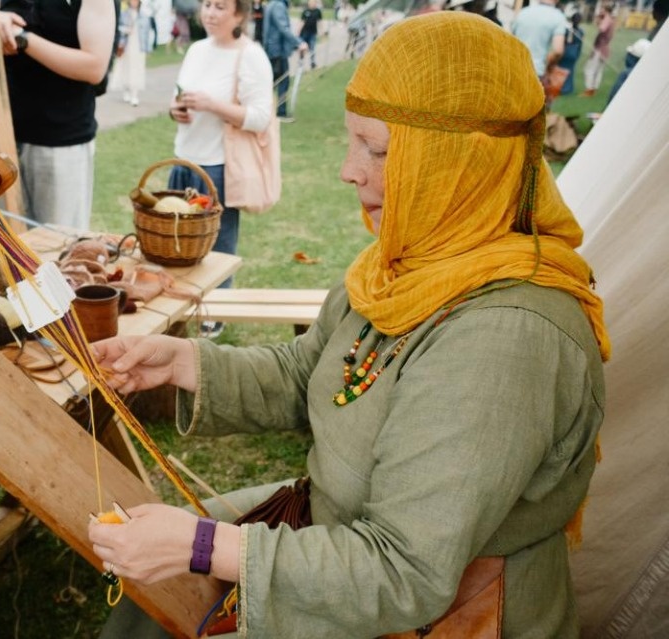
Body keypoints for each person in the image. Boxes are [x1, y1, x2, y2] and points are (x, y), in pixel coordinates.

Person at [89, 12, 608, 637]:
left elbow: (405, 571)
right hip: (338, 536)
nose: (348, 170)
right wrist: (182, 362)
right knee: (151, 602)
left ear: (458, 164)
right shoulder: (411, 261)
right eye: (352, 141)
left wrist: (206, 547)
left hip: (425, 611)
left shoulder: (507, 338)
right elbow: (314, 370)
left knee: (176, 574)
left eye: (380, 150)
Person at [167, 0, 273, 337]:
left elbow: (260, 117)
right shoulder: (197, 49)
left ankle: (214, 315)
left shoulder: (250, 55)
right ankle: (181, 307)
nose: (210, 13)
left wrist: (214, 105)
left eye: (221, 6)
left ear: (239, 14)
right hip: (184, 159)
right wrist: (177, 110)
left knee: (217, 247)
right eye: (207, 5)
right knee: (177, 241)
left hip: (218, 167)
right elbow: (177, 96)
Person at [0, 0, 116, 231]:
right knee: (3, 252)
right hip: (5, 138)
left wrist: (24, 39)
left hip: (60, 145)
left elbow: (94, 67)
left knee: (56, 249)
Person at [262, 0, 307, 122]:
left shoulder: (272, 4)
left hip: (273, 49)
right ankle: (280, 113)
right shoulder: (278, 6)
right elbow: (283, 28)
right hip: (277, 51)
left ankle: (265, 111)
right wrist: (299, 43)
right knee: (282, 81)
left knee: (272, 82)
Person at [511, 0, 567, 80]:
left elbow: (510, 40)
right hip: (536, 70)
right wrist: (550, 65)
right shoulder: (558, 17)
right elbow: (558, 51)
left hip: (514, 67)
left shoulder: (522, 12)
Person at [112, 0, 152, 107]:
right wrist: (125, 30)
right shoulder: (124, 14)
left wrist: (148, 49)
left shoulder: (144, 16)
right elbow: (117, 27)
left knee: (137, 69)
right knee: (125, 68)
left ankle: (135, 94)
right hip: (126, 46)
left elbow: (148, 34)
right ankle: (126, 90)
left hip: (138, 47)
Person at [582, 5, 615, 97]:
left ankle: (589, 89)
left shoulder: (607, 19)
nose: (600, 11)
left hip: (599, 49)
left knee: (589, 69)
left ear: (605, 10)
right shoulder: (611, 20)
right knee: (598, 70)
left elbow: (602, 28)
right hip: (605, 49)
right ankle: (594, 89)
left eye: (602, 9)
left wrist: (600, 20)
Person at [557, 12, 583, 95]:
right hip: (574, 52)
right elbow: (580, 45)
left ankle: (561, 88)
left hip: (566, 51)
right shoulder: (580, 32)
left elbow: (563, 41)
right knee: (570, 71)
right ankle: (568, 88)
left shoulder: (567, 30)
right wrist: (578, 54)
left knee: (561, 70)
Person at [299, 0, 323, 69]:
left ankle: (312, 62)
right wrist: (298, 31)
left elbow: (320, 22)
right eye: (310, 3)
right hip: (304, 33)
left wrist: (321, 31)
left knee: (312, 48)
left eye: (313, 3)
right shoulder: (305, 11)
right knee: (302, 48)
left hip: (313, 33)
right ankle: (301, 61)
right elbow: (302, 22)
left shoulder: (318, 11)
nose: (312, 4)